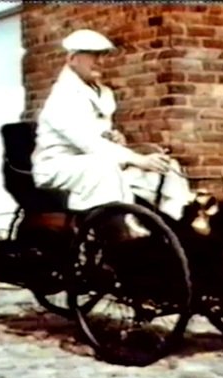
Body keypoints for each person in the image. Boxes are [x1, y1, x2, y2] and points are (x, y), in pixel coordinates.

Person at [31, 29, 196, 235]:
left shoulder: (102, 93)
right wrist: (137, 159)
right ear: (73, 58)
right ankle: (123, 232)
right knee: (104, 168)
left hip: (95, 160)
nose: (100, 61)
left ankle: (172, 228)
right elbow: (88, 142)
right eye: (93, 55)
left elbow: (99, 136)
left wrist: (115, 138)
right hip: (59, 166)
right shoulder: (62, 97)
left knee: (167, 167)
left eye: (103, 55)